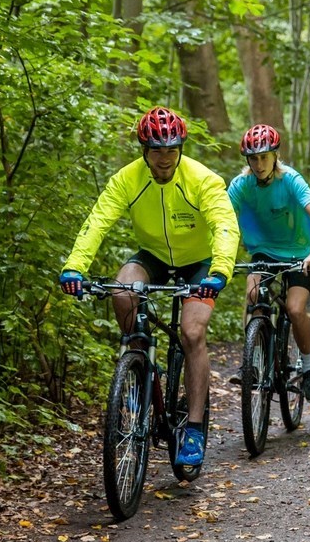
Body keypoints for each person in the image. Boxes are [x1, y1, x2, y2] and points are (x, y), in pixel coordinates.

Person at [60, 106, 240, 467]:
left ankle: (194, 426)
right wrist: (75, 267)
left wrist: (218, 272)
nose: (164, 158)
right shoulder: (127, 179)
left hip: (199, 262)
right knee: (122, 290)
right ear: (144, 150)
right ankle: (139, 361)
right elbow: (97, 221)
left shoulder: (202, 179)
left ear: (181, 149)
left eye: (171, 150)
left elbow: (224, 224)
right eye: (157, 151)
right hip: (154, 255)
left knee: (191, 333)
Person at [228, 124, 310, 402]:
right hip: (264, 252)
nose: (259, 164)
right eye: (254, 158)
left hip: (299, 253)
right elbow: (222, 218)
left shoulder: (291, 180)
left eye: (264, 157)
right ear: (247, 161)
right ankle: (253, 359)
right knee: (252, 295)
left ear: (275, 156)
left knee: (295, 309)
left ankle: (308, 369)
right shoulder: (241, 185)